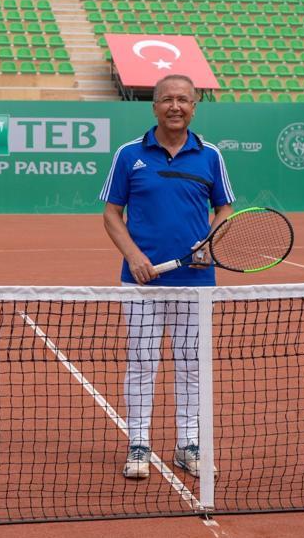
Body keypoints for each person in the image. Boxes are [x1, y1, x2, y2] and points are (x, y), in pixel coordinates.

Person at [98, 74, 235, 480]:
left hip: (196, 284)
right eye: (167, 99)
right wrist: (134, 256)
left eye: (183, 100)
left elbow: (225, 209)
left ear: (194, 107)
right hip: (141, 283)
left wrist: (209, 244)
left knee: (191, 364)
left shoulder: (210, 155)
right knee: (142, 363)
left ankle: (188, 444)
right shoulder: (129, 154)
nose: (176, 106)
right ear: (154, 105)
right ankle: (139, 442)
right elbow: (111, 214)